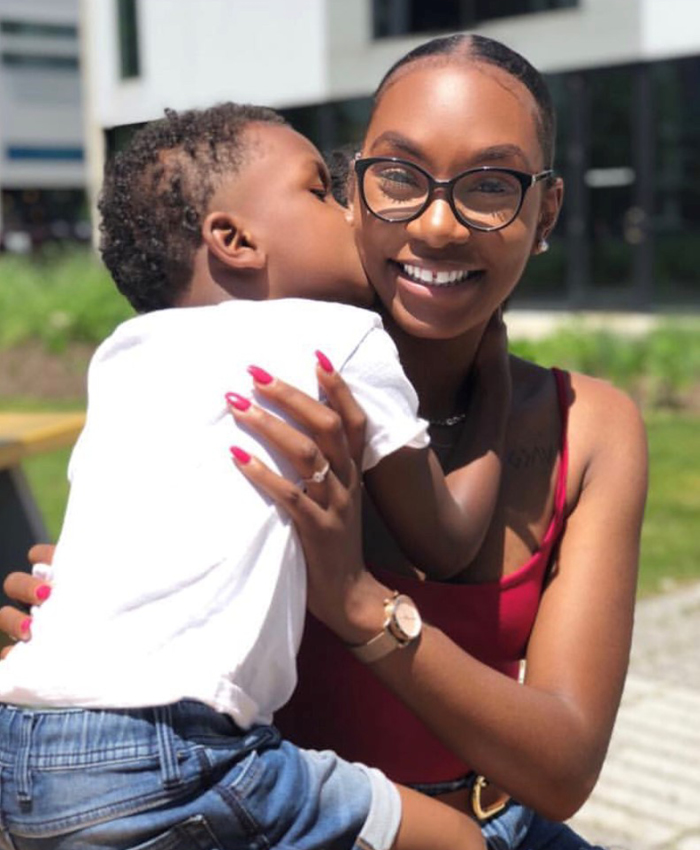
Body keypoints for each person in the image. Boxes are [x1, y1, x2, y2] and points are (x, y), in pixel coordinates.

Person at [0, 33, 648, 850]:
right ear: (353, 193)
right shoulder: (239, 397)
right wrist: (82, 617)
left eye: (490, 186)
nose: (440, 224)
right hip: (253, 816)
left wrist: (359, 605)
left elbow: (562, 772)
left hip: (491, 825)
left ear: (545, 212)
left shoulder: (590, 426)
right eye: (400, 177)